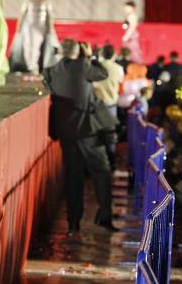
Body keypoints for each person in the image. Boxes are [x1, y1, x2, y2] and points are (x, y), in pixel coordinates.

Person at [43, 39, 116, 234]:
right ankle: (104, 216)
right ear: (79, 52)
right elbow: (103, 73)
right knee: (101, 171)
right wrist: (90, 56)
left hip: (67, 132)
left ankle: (73, 223)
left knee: (73, 177)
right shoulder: (83, 66)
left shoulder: (50, 71)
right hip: (87, 130)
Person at [9, 0, 59, 74]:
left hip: (40, 26)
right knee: (28, 45)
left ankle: (35, 66)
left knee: (37, 46)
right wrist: (19, 25)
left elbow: (50, 16)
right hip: (28, 26)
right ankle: (29, 66)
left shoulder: (46, 1)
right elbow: (22, 14)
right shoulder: (28, 0)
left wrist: (51, 28)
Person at [93, 44, 124, 171]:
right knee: (110, 136)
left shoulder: (95, 67)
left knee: (96, 136)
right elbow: (121, 83)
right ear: (114, 54)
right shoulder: (118, 68)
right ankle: (111, 165)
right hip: (111, 105)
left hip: (97, 104)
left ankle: (96, 165)